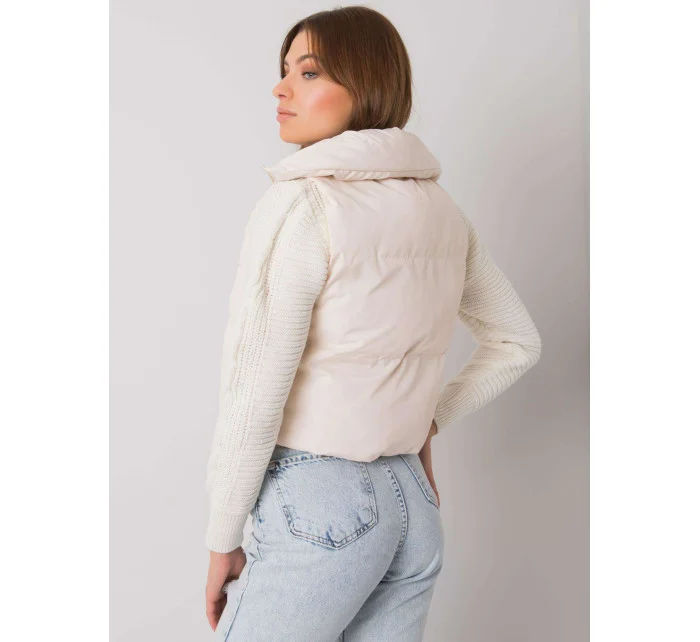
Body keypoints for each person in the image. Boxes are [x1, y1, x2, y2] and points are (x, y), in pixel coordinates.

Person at [204, 6, 542, 641]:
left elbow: (257, 386)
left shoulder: (304, 203)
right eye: (284, 70)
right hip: (411, 505)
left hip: (320, 507)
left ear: (364, 84)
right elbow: (517, 342)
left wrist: (223, 535)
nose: (281, 88)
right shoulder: (442, 211)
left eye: (308, 72)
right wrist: (423, 420)